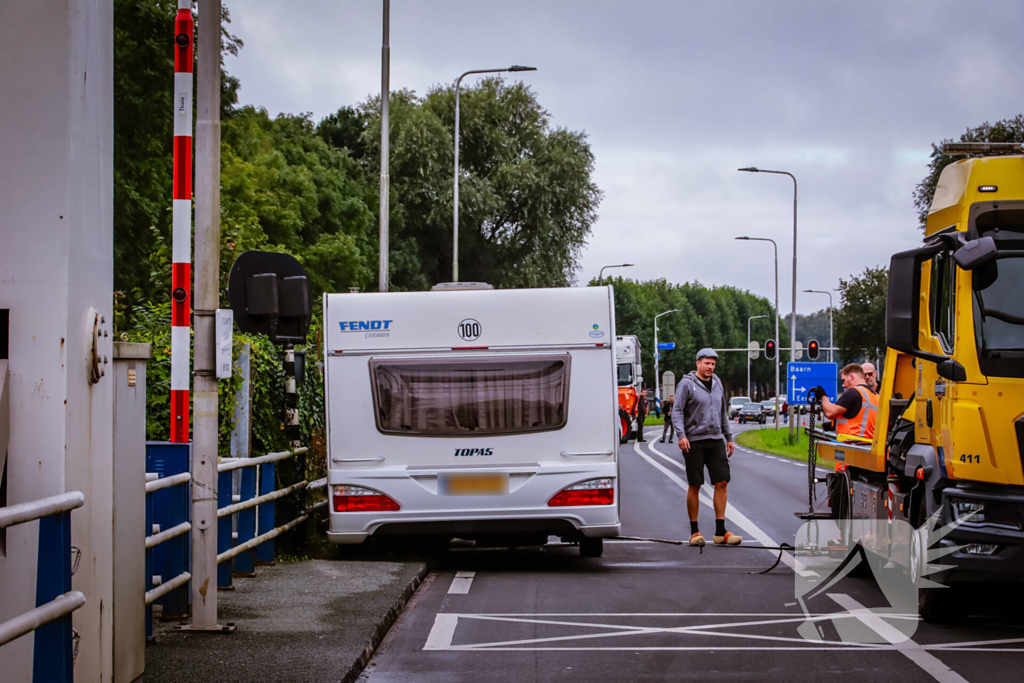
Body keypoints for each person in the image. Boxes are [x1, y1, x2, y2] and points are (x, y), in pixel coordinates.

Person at [672, 348, 742, 547]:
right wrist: (681, 435)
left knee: (722, 482)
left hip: (715, 439)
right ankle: (694, 531)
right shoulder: (687, 384)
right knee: (695, 484)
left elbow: (722, 413)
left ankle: (721, 532)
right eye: (707, 363)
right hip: (693, 441)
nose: (710, 367)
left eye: (713, 364)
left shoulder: (717, 383)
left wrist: (728, 438)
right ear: (698, 363)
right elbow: (677, 412)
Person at [814, 363, 879, 441]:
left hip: (852, 444)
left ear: (851, 376)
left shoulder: (853, 392)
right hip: (870, 446)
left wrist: (823, 396)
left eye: (843, 380)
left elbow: (830, 413)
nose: (843, 385)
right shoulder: (876, 397)